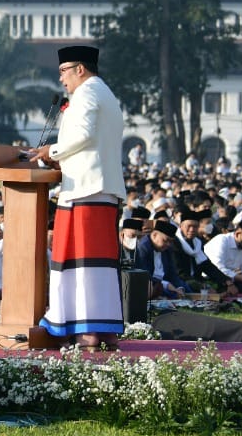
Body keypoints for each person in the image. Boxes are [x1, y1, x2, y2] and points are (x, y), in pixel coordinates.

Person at [25, 45, 126, 350]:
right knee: (99, 265)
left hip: (85, 190)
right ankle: (104, 329)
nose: (61, 79)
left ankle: (87, 331)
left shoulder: (86, 93)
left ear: (80, 69)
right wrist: (62, 159)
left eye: (63, 71)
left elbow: (83, 135)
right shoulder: (104, 92)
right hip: (98, 189)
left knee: (82, 263)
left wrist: (52, 150)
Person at [133, 220, 189, 299]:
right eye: (166, 240)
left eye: (170, 241)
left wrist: (180, 288)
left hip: (166, 285)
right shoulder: (143, 248)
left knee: (186, 288)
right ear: (154, 235)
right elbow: (145, 276)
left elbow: (172, 274)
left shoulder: (167, 249)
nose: (168, 244)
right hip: (151, 286)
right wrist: (166, 285)